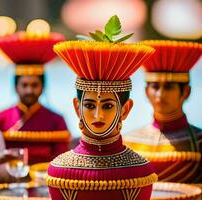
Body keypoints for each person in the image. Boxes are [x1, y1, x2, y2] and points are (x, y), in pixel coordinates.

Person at [46, 16, 157, 200]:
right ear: (77, 107)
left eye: (108, 106)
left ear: (125, 109)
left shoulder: (139, 171)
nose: (98, 115)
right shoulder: (60, 169)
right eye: (89, 105)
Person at [124, 40, 202, 183]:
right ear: (147, 92)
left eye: (168, 87)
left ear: (186, 92)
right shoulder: (127, 142)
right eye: (155, 86)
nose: (160, 94)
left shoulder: (199, 141)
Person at [0, 29, 71, 164]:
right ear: (16, 87)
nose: (29, 90)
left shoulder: (56, 120)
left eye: (34, 85)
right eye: (25, 85)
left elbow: (61, 162)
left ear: (43, 86)